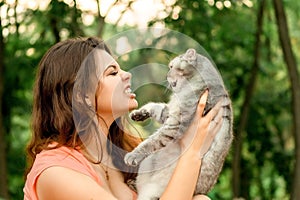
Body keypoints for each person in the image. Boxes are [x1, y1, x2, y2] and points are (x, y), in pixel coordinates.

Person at [23, 37, 223, 200]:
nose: (127, 75)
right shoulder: (56, 173)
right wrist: (193, 150)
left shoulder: (124, 153)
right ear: (82, 95)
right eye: (112, 73)